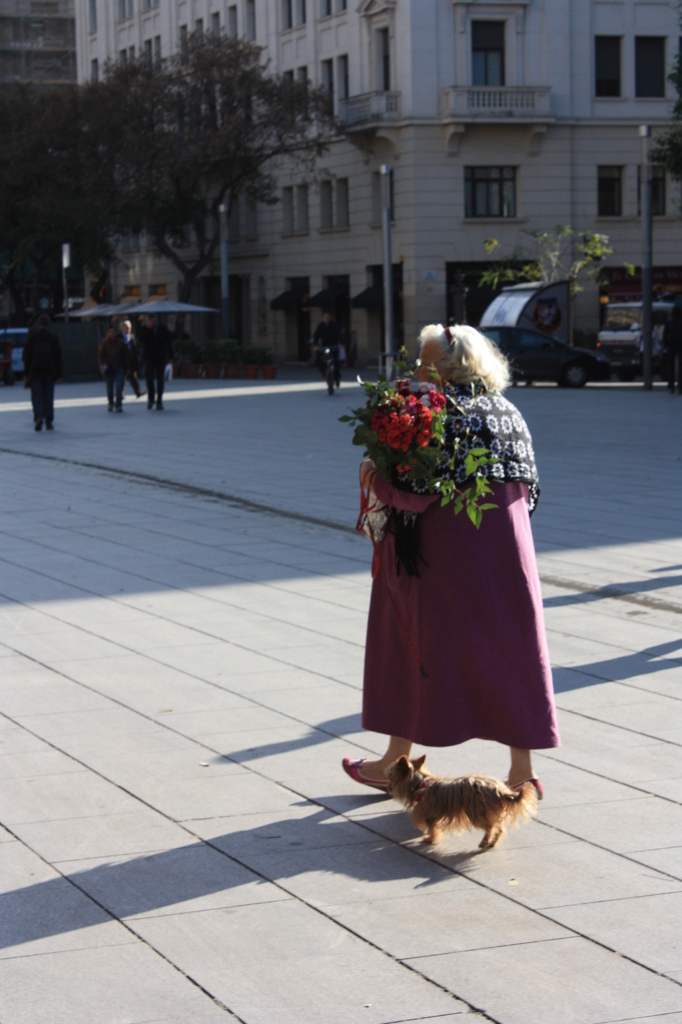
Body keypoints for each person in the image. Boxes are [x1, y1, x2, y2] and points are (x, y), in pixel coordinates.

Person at [343, 323, 560, 797]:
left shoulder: (442, 412)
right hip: (508, 556)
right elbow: (533, 490)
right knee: (510, 654)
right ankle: (522, 772)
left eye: (426, 362)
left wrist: (370, 476)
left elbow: (415, 492)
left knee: (412, 648)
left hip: (443, 557)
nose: (417, 371)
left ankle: (392, 763)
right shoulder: (508, 410)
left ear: (452, 367)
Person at [23, 314, 63, 431]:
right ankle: (49, 421)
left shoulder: (32, 337)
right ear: (48, 325)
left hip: (35, 372)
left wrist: (26, 374)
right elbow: (58, 357)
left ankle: (39, 416)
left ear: (38, 324)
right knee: (49, 396)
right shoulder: (53, 338)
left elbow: (27, 356)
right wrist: (59, 374)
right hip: (49, 372)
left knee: (37, 395)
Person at [139, 313, 173, 410]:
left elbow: (168, 342)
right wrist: (147, 328)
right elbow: (141, 339)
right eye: (150, 321)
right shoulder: (145, 328)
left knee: (160, 380)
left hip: (160, 357)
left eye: (153, 320)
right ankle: (151, 399)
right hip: (149, 357)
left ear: (156, 320)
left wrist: (170, 356)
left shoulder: (163, 328)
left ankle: (159, 402)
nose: (151, 322)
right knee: (149, 378)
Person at [99, 324, 128, 413]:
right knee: (110, 387)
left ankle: (118, 405)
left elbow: (126, 355)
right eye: (110, 332)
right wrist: (102, 365)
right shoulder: (105, 343)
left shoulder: (121, 342)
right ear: (108, 333)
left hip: (119, 366)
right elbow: (101, 355)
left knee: (119, 386)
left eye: (113, 332)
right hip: (109, 367)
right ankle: (111, 403)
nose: (112, 334)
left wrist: (126, 367)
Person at [313, 310, 342, 388]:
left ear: (331, 318)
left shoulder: (335, 325)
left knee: (336, 362)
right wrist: (315, 345)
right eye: (325, 317)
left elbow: (339, 334)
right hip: (324, 346)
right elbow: (316, 336)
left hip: (334, 346)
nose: (327, 318)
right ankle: (324, 374)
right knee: (322, 360)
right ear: (323, 318)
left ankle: (337, 378)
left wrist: (339, 344)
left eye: (328, 317)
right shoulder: (320, 326)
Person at [120, 319, 144, 399]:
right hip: (122, 361)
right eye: (126, 327)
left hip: (131, 361)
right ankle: (121, 393)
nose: (128, 329)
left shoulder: (131, 337)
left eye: (129, 327)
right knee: (121, 379)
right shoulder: (119, 338)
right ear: (122, 328)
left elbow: (134, 350)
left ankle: (138, 392)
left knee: (133, 378)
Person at [663, 304, 682, 394]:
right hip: (680, 345)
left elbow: (665, 334)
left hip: (671, 345)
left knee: (670, 366)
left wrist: (665, 345)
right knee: (681, 366)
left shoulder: (669, 321)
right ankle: (680, 386)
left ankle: (671, 386)